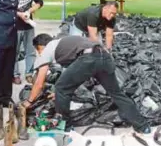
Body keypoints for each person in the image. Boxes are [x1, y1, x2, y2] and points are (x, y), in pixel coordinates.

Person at [22, 34, 150, 133]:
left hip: (88, 59)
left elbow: (39, 83)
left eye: (38, 50)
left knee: (60, 87)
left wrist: (29, 101)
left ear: (41, 46)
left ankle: (65, 125)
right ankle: (143, 126)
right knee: (116, 93)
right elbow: (75, 75)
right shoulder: (65, 43)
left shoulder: (47, 49)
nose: (39, 53)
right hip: (104, 56)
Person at [13, 0, 44, 85]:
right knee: (14, 52)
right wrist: (19, 14)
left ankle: (29, 74)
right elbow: (6, 7)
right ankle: (15, 75)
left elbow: (39, 2)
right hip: (15, 26)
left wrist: (29, 11)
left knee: (30, 51)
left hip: (28, 26)